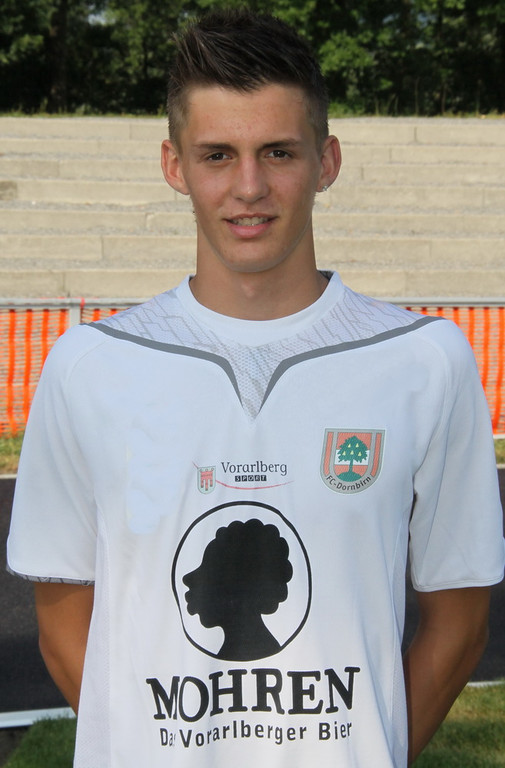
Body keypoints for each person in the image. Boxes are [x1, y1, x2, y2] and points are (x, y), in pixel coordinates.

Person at [7, 9, 504, 768]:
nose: (249, 187)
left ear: (326, 161)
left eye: (278, 152)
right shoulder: (87, 366)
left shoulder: (424, 362)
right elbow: (63, 624)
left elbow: (459, 622)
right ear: (175, 166)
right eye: (217, 155)